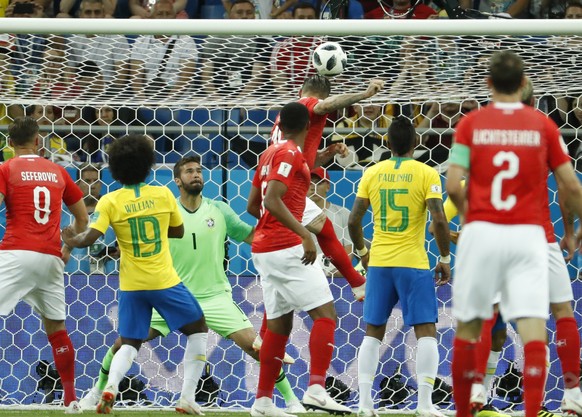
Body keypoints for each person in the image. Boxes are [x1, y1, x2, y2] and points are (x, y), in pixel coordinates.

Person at [78, 154, 304, 413]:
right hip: (170, 293)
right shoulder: (162, 207)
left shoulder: (220, 209)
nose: (196, 174)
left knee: (256, 347)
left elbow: (249, 235)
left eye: (199, 170)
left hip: (215, 296)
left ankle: (291, 400)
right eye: (188, 171)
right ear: (177, 180)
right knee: (123, 344)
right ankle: (97, 391)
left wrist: (283, 242)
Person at [446, 50, 582, 417]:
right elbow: (570, 186)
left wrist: (471, 218)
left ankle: (468, 405)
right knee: (536, 325)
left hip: (483, 232)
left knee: (473, 322)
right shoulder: (544, 127)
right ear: (524, 84)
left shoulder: (471, 124)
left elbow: (454, 185)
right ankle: (540, 408)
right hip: (530, 235)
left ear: (488, 84)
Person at [62, 134, 208, 415]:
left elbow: (91, 237)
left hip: (131, 285)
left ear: (115, 168)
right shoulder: (163, 194)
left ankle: (112, 386)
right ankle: (187, 398)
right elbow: (177, 231)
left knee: (130, 342)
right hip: (164, 281)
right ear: (147, 164)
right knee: (198, 328)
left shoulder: (110, 201)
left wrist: (71, 240)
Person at [247, 102, 351, 417]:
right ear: (308, 125)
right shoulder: (289, 153)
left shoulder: (268, 154)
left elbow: (254, 206)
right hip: (285, 247)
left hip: (264, 249)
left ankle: (263, 401)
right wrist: (304, 234)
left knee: (279, 324)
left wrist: (274, 227)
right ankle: (317, 389)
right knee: (326, 314)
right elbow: (270, 199)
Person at [348, 116, 451, 417]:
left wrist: (362, 251)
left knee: (372, 332)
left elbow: (354, 220)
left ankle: (365, 405)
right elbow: (439, 219)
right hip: (413, 263)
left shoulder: (372, 172)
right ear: (416, 143)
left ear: (388, 143)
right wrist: (444, 258)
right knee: (426, 331)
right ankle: (424, 405)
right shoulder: (426, 173)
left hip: (379, 262)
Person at [0, 117, 89, 413]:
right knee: (57, 328)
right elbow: (83, 220)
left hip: (15, 253)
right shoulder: (59, 171)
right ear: (39, 141)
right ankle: (71, 398)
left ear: (10, 144)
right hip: (51, 258)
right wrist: (67, 248)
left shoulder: (7, 168)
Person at [270, 75, 384, 300]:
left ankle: (356, 282)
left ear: (301, 88)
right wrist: (365, 94)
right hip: (289, 190)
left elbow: (304, 162)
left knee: (324, 231)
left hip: (281, 185)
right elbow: (325, 105)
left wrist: (328, 153)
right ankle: (357, 282)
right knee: (325, 230)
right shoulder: (306, 105)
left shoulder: (286, 118)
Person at [308, 167, 354, 277]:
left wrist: (335, 272)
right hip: (306, 275)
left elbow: (348, 249)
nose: (313, 187)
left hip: (335, 275)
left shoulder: (343, 213)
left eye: (318, 183)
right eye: (309, 183)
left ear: (328, 187)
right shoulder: (295, 215)